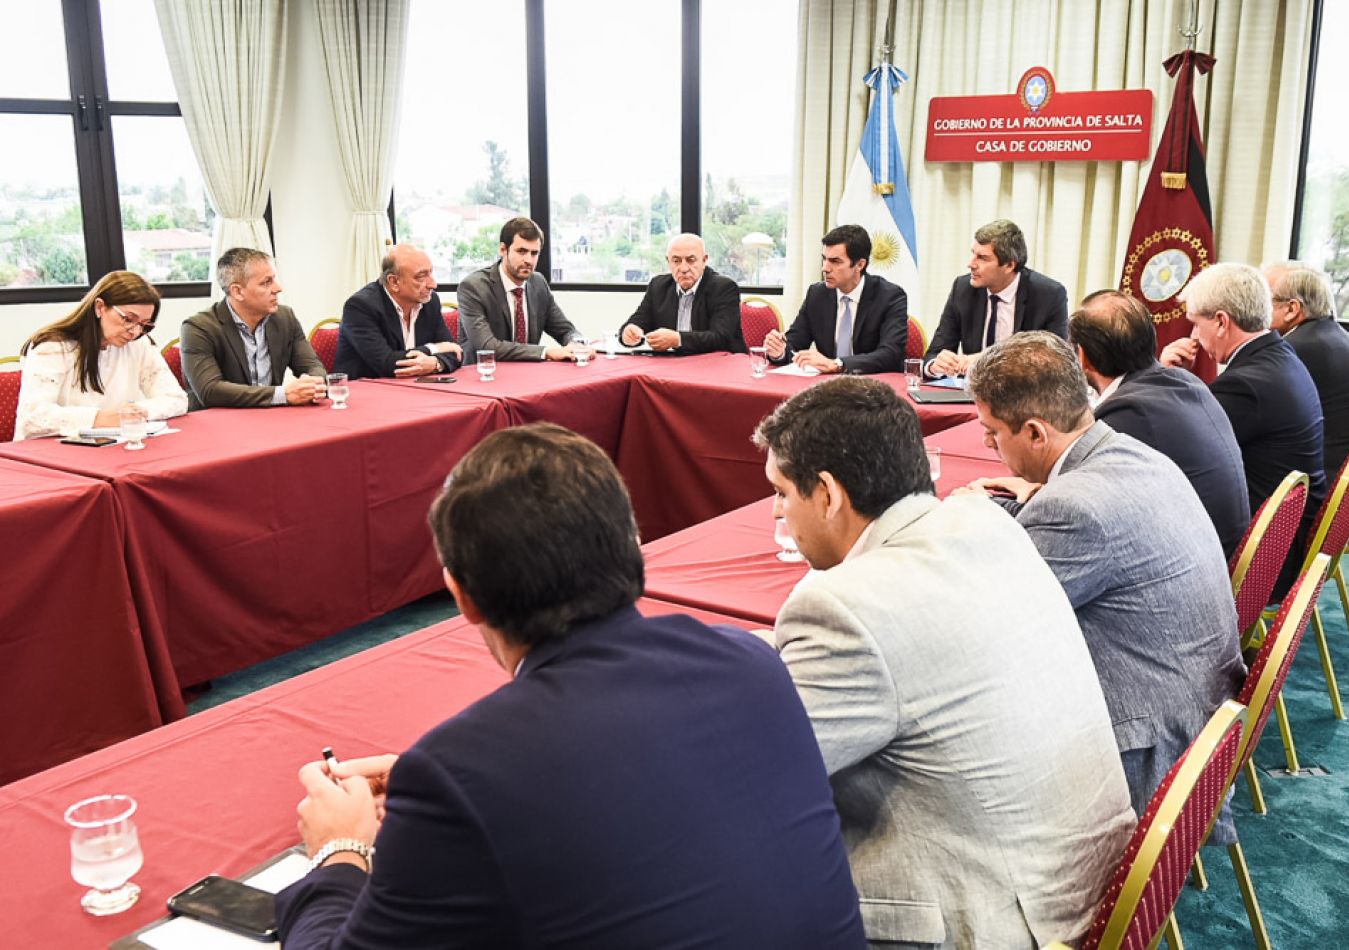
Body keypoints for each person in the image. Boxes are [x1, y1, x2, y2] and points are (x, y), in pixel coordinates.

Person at [275, 424, 865, 948]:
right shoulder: (753, 665)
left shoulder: (462, 774)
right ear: (634, 550)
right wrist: (446, 786)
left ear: (462, 596)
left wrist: (339, 852)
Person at [754, 377, 1134, 948]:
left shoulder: (844, 608)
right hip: (1084, 879)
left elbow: (760, 773)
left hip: (1000, 923)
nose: (778, 510)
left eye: (782, 493)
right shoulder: (984, 522)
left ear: (828, 494)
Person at [959, 332, 1246, 839]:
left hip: (1148, 754)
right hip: (1196, 721)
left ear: (1035, 432)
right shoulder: (1131, 453)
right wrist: (1006, 510)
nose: (986, 445)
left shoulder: (1074, 508)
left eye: (991, 432)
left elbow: (986, 625)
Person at [1162, 263, 1326, 594]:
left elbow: (1173, 448)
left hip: (1263, 555)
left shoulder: (1246, 384)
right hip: (1286, 534)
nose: (1193, 337)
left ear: (1221, 321)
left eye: (1196, 324)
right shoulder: (1278, 356)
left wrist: (1165, 375)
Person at [1070, 289, 1250, 559]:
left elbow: (1082, 504)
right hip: (1221, 550)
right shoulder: (1184, 380)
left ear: (1082, 356)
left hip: (1193, 563)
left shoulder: (1126, 413)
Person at [15, 271, 187, 440]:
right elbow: (33, 418)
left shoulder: (139, 344)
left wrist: (139, 411)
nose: (135, 332)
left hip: (112, 444)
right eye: (128, 319)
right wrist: (102, 418)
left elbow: (176, 399)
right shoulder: (52, 347)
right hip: (50, 449)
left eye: (144, 325)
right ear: (99, 307)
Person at [1265, 260, 1349, 482]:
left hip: (1328, 478)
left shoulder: (1299, 347)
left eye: (1263, 298)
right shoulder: (1326, 333)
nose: (1255, 306)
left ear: (1291, 309)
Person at [180, 248, 328, 409]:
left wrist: (313, 383)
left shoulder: (285, 318)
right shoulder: (198, 328)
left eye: (274, 279)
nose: (278, 288)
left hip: (271, 417)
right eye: (266, 282)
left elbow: (313, 366)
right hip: (220, 420)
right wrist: (282, 394)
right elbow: (210, 391)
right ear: (237, 291)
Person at [925, 218, 1068, 377]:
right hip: (971, 388)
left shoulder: (1049, 295)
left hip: (1023, 388)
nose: (971, 264)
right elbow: (934, 353)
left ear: (1009, 265)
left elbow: (1057, 363)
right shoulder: (963, 288)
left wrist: (987, 360)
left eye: (983, 258)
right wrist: (935, 366)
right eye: (973, 254)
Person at [763, 224, 906, 375]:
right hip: (827, 384)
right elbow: (795, 343)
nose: (825, 268)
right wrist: (779, 351)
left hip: (872, 383)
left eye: (835, 261)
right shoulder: (817, 294)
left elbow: (890, 354)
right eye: (825, 259)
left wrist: (838, 364)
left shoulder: (889, 297)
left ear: (859, 265)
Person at [456, 217, 582, 363]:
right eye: (522, 251)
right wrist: (545, 352)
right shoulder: (473, 287)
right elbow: (487, 346)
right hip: (485, 372)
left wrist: (578, 344)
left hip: (528, 373)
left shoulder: (538, 283)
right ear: (503, 250)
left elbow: (565, 329)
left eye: (534, 253)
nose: (529, 260)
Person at [333, 245, 463, 380]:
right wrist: (434, 348)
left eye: (430, 273)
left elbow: (455, 351)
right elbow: (387, 364)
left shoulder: (430, 301)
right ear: (394, 282)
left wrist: (435, 363)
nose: (433, 284)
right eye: (421, 277)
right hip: (366, 387)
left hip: (413, 386)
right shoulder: (360, 307)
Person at [618, 233, 744, 354]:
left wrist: (678, 339)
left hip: (717, 361)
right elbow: (637, 321)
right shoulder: (658, 286)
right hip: (671, 362)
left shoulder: (724, 288)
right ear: (668, 261)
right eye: (676, 261)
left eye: (691, 260)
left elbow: (721, 337)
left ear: (704, 260)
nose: (684, 268)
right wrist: (629, 333)